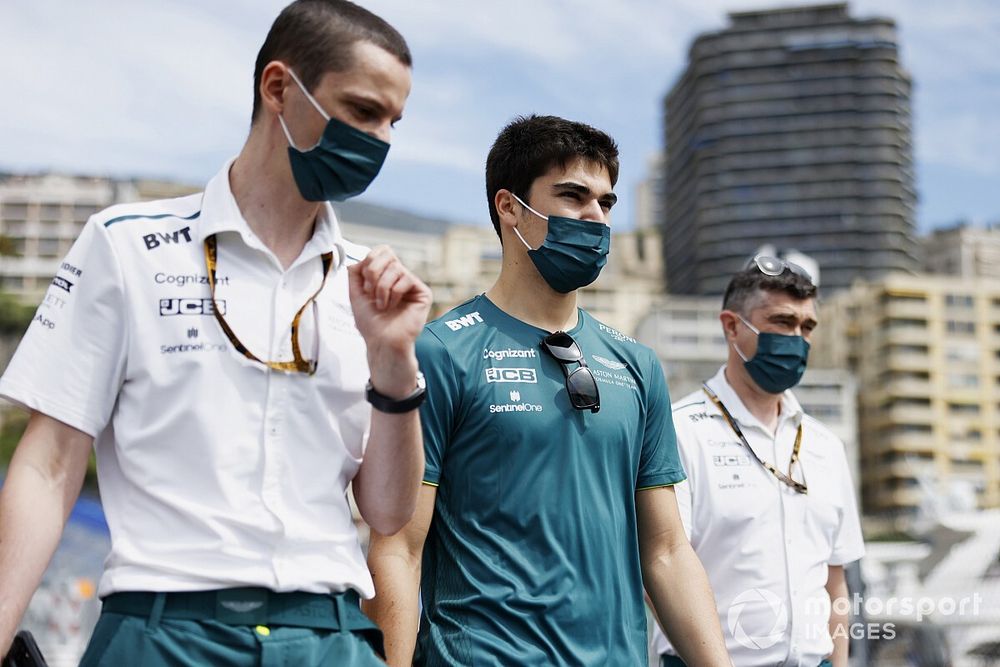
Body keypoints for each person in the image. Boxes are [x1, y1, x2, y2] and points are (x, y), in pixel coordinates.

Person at [0, 1, 430, 665]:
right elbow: (50, 461)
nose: (381, 141)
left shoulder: (372, 289)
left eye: (393, 121)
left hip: (330, 634)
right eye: (364, 111)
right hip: (161, 626)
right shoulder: (127, 246)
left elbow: (387, 512)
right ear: (279, 88)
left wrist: (394, 363)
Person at [364, 114, 731, 666]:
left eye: (606, 203)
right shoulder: (440, 353)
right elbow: (397, 548)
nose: (595, 217)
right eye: (572, 196)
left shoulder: (637, 365)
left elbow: (667, 553)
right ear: (509, 207)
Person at [650, 256, 865, 667]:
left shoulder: (826, 446)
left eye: (807, 327)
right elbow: (659, 569)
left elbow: (835, 584)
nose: (797, 339)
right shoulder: (679, 431)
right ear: (732, 326)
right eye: (782, 322)